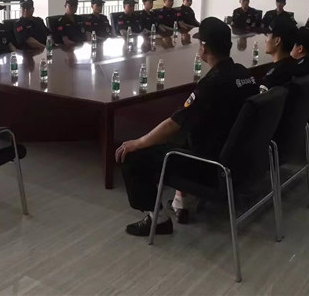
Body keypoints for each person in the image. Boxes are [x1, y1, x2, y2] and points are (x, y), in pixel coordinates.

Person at [115, 18, 258, 236]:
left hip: (211, 166)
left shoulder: (211, 84)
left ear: (204, 48)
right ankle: (179, 198)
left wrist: (138, 142)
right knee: (176, 137)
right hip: (241, 160)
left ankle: (158, 220)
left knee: (134, 155)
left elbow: (175, 123)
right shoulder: (244, 75)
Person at [260, 19, 298, 90]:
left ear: (277, 41)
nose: (265, 40)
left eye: (267, 36)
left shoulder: (272, 77)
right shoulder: (296, 65)